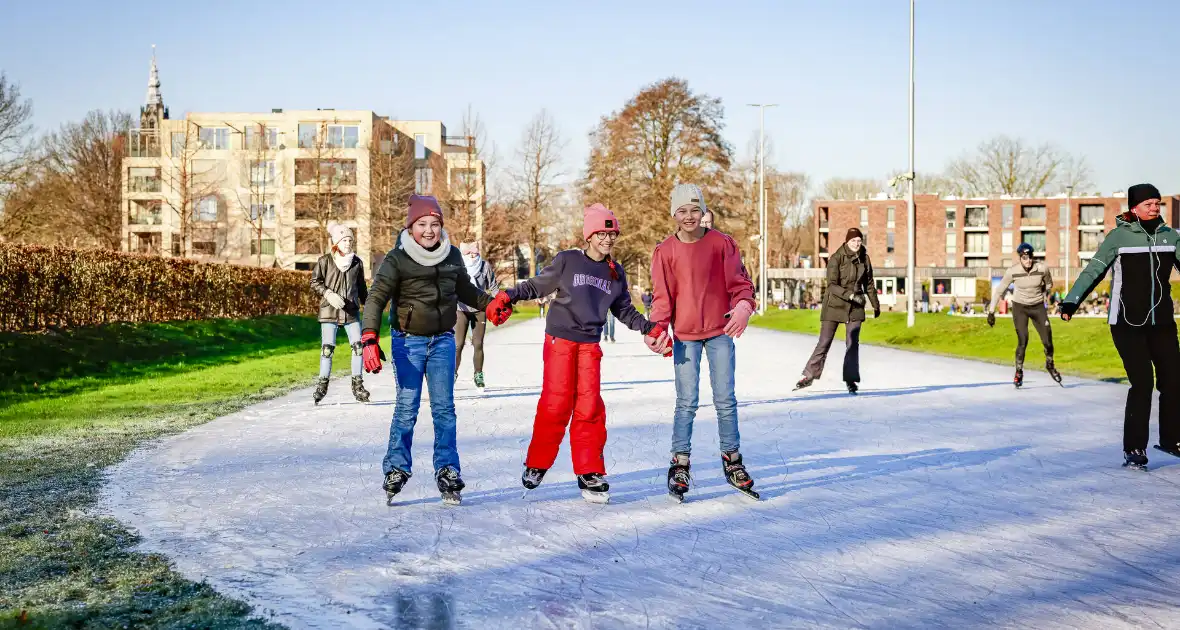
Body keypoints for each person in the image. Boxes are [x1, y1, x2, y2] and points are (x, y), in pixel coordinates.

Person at [488, 204, 670, 503]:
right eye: (601, 233)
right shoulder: (567, 261)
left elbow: (623, 309)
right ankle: (537, 463)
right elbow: (537, 285)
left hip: (589, 344)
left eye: (612, 234)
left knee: (589, 406)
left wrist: (648, 328)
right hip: (560, 340)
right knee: (556, 402)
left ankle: (589, 471)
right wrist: (508, 295)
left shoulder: (615, 272)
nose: (607, 239)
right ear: (589, 235)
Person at [360, 195, 504, 505]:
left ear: (441, 226)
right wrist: (369, 337)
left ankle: (447, 470)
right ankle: (396, 468)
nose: (429, 230)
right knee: (407, 408)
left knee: (444, 409)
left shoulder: (451, 255)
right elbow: (375, 298)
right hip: (408, 342)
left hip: (442, 341)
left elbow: (465, 289)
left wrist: (489, 304)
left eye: (435, 224)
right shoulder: (396, 259)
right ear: (410, 227)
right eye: (422, 224)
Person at [649, 184, 759, 502]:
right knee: (687, 402)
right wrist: (658, 329)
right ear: (673, 214)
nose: (688, 216)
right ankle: (680, 462)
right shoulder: (665, 252)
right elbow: (662, 298)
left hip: (720, 331)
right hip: (685, 336)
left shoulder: (721, 244)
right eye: (682, 211)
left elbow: (740, 284)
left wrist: (743, 306)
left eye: (694, 210)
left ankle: (732, 459)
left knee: (725, 399)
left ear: (703, 212)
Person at [1059, 184, 1180, 469]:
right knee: (1142, 382)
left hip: (1161, 321)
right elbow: (1094, 269)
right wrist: (1071, 302)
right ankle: (1134, 448)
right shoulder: (1119, 237)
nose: (1155, 207)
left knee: (1174, 380)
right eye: (1149, 203)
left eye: (1157, 203)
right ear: (1134, 207)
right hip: (1127, 322)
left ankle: (1172, 439)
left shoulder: (1170, 236)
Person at [795, 227, 880, 395]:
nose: (856, 244)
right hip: (834, 305)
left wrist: (875, 304)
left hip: (855, 306)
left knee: (852, 344)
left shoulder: (865, 259)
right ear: (847, 241)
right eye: (853, 241)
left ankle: (850, 379)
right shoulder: (836, 258)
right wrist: (849, 295)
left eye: (858, 241)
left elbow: (869, 283)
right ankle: (809, 375)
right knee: (824, 342)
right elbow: (832, 285)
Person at [309, 222, 370, 405]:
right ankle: (322, 385)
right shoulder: (325, 261)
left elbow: (361, 288)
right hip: (330, 309)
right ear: (336, 242)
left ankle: (358, 385)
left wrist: (370, 306)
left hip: (351, 311)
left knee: (358, 346)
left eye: (350, 240)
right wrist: (328, 293)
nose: (348, 243)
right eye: (344, 240)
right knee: (327, 349)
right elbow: (314, 282)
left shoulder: (357, 262)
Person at [987, 242, 1061, 387]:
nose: (1027, 261)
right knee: (1023, 340)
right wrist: (991, 312)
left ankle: (1050, 364)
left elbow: (1049, 284)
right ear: (1020, 258)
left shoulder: (1042, 268)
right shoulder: (1012, 271)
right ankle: (1019, 372)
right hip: (1020, 307)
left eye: (1030, 257)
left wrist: (1045, 291)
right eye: (1024, 258)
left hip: (1038, 306)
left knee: (1048, 340)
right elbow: (999, 290)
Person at [454, 242, 497, 390]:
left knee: (478, 343)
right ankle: (452, 373)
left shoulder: (484, 266)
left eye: (475, 253)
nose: (473, 256)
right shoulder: (458, 266)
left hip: (480, 309)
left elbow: (493, 286)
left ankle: (478, 374)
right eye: (469, 253)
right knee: (458, 344)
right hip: (461, 308)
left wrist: (499, 303)